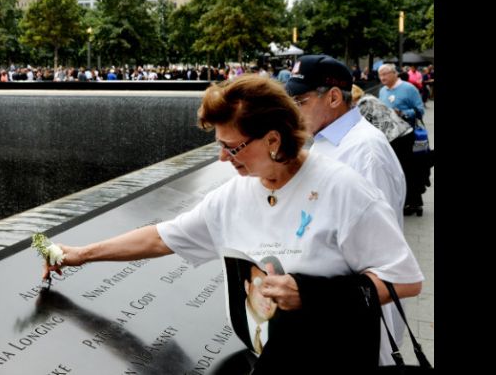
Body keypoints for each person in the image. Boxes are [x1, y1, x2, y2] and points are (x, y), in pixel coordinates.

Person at [43, 75, 423, 371]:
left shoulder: (344, 189)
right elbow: (162, 238)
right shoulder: (235, 195)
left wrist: (312, 294)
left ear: (273, 140)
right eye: (219, 145)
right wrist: (80, 255)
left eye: (232, 146)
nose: (223, 158)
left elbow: (405, 279)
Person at [285, 55, 406, 227]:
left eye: (299, 102)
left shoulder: (366, 152)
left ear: (334, 98)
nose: (292, 112)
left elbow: (378, 232)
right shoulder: (325, 138)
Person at [351, 85, 420, 217]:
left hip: (398, 137)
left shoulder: (363, 104)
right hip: (402, 134)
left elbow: (361, 125)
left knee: (404, 171)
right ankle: (413, 202)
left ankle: (409, 202)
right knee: (407, 170)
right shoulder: (368, 98)